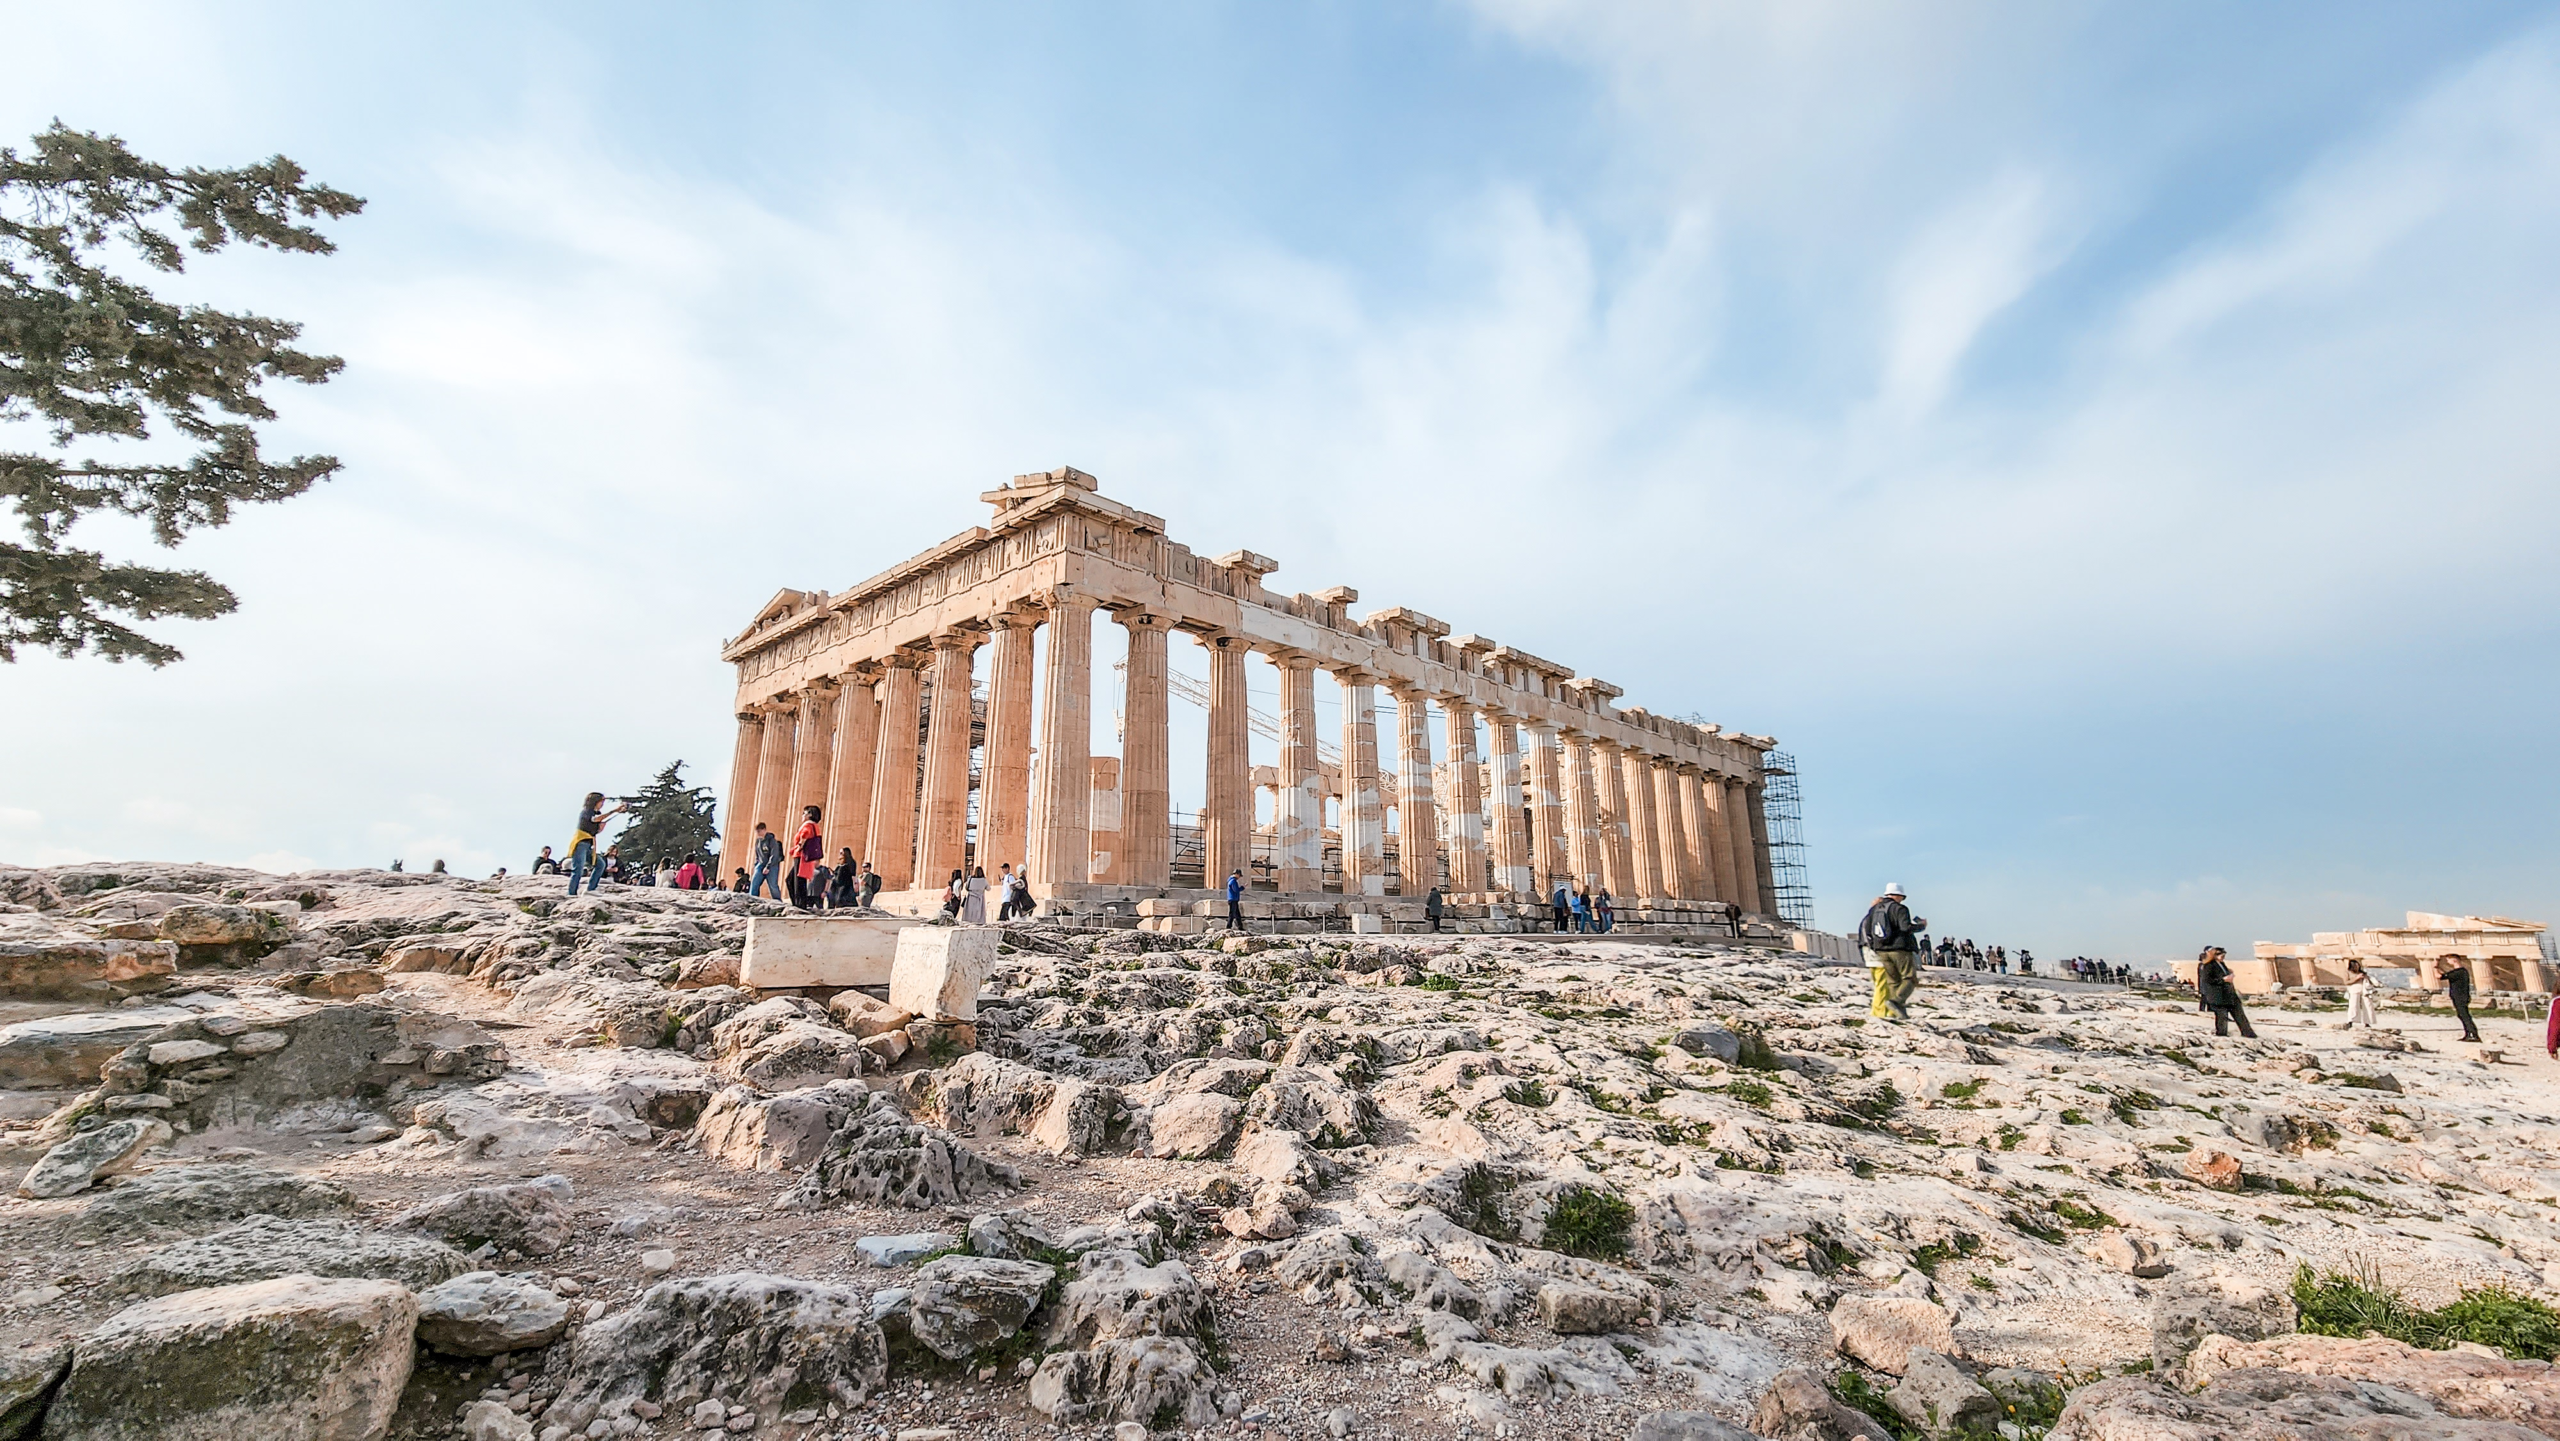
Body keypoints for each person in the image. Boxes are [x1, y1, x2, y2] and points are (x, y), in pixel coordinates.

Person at [1858, 883, 1926, 1021]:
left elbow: (1869, 928)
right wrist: (1921, 926)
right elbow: (1905, 927)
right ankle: (1896, 1002)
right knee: (1909, 978)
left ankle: (1895, 1011)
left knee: (1893, 981)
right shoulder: (1899, 908)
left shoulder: (1874, 909)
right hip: (1899, 949)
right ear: (1899, 896)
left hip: (1881, 950)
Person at [567, 791, 629, 896]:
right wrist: (614, 811)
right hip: (580, 842)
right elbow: (595, 820)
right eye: (601, 802)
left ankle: (591, 889)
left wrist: (601, 827)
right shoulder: (587, 812)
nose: (602, 804)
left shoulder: (597, 813)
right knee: (578, 868)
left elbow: (596, 827)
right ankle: (571, 893)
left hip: (589, 843)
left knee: (600, 864)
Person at [2195, 945, 2256, 1038]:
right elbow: (2208, 980)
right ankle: (2222, 1035)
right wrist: (2223, 979)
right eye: (2220, 955)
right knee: (2221, 1017)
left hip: (2229, 994)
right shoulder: (2208, 966)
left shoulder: (2222, 964)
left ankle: (2248, 1033)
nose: (2222, 956)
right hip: (2218, 996)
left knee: (2239, 1014)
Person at [2437, 954, 2481, 1043]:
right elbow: (2444, 975)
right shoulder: (2459, 972)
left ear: (2454, 960)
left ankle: (2473, 1034)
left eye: (2448, 960)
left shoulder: (2459, 972)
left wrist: (2435, 966)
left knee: (2464, 1015)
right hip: (2460, 996)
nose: (2447, 962)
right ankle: (2468, 1033)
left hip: (2460, 996)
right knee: (2461, 1015)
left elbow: (2439, 976)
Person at [790, 807, 824, 910]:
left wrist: (798, 847)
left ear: (809, 814)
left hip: (801, 855)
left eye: (804, 813)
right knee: (791, 879)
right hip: (804, 855)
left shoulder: (808, 825)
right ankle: (798, 902)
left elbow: (805, 835)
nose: (802, 816)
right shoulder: (815, 826)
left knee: (798, 880)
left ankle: (800, 904)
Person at [749, 823, 786, 901]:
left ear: (764, 830)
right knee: (754, 882)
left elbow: (774, 854)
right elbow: (757, 854)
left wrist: (768, 866)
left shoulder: (772, 840)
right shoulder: (758, 841)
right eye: (757, 832)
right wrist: (756, 864)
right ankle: (752, 900)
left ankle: (778, 901)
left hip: (772, 865)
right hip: (761, 864)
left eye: (759, 831)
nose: (758, 833)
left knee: (773, 885)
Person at [2343, 958, 2378, 1030]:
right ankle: (2351, 1020)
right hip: (2354, 989)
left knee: (2368, 1005)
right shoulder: (2347, 972)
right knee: (2353, 1005)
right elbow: (2346, 982)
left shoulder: (2362, 972)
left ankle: (2367, 1022)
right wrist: (2356, 978)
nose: (2357, 966)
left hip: (2364, 990)